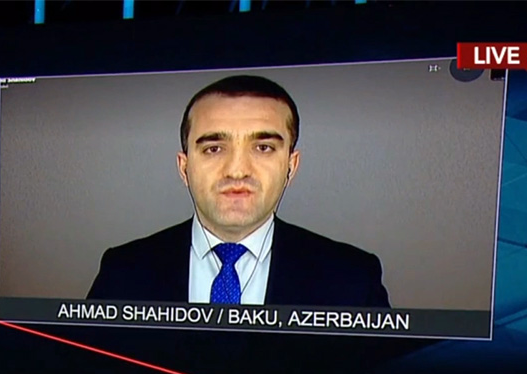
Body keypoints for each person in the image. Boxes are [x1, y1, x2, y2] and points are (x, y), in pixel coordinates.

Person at [86, 75, 390, 308]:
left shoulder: (353, 279)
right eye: (214, 148)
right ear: (184, 167)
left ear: (291, 165)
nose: (237, 170)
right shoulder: (122, 272)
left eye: (263, 147)